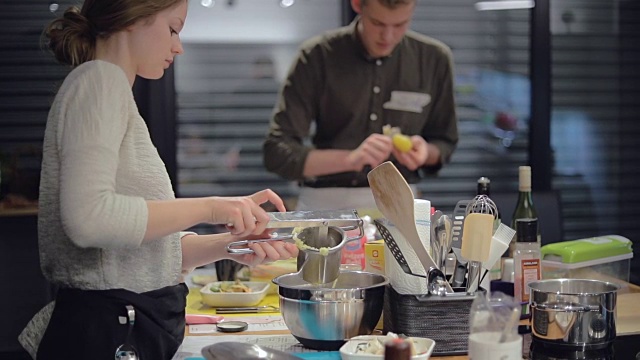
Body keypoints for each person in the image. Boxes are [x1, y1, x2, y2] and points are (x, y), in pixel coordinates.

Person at [18, 1, 298, 359]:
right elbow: (89, 220)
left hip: (125, 325)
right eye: (173, 28)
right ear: (136, 17)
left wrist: (233, 246)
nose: (178, 46)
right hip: (107, 333)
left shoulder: (111, 90)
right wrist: (213, 207)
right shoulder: (100, 81)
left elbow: (135, 252)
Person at [263, 0, 458, 212]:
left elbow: (445, 142)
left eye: (400, 24)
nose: (388, 36)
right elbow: (277, 152)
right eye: (377, 23)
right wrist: (351, 158)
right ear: (357, 4)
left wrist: (425, 153)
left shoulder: (434, 59)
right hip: (325, 203)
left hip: (400, 202)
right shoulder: (317, 56)